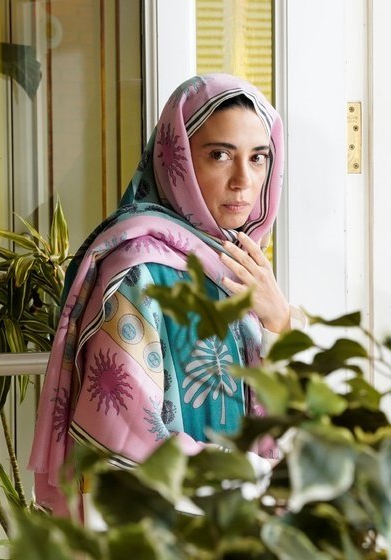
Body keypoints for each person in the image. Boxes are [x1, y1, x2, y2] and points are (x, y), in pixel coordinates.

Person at [28, 74, 299, 516]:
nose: (243, 180)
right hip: (164, 526)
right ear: (178, 158)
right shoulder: (137, 270)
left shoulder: (239, 264)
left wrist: (279, 323)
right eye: (219, 155)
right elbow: (127, 430)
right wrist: (259, 479)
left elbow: (285, 413)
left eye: (258, 158)